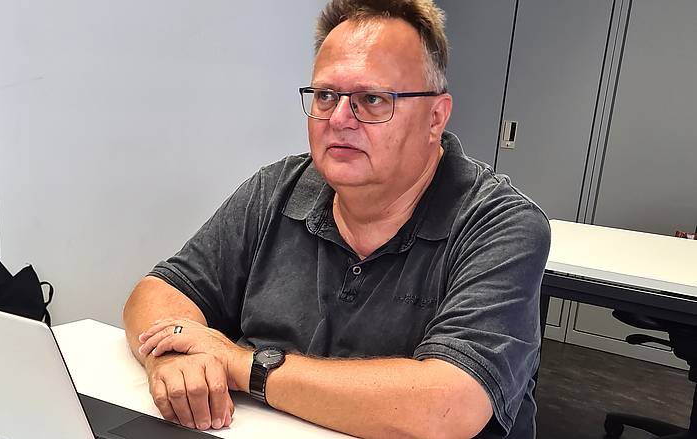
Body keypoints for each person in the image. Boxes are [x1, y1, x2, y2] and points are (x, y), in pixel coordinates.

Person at [123, 1, 550, 438]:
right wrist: (174, 358)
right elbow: (159, 290)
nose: (340, 119)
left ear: (435, 118)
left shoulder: (502, 225)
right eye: (326, 96)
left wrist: (241, 365)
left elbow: (447, 407)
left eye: (372, 99)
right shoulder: (276, 189)